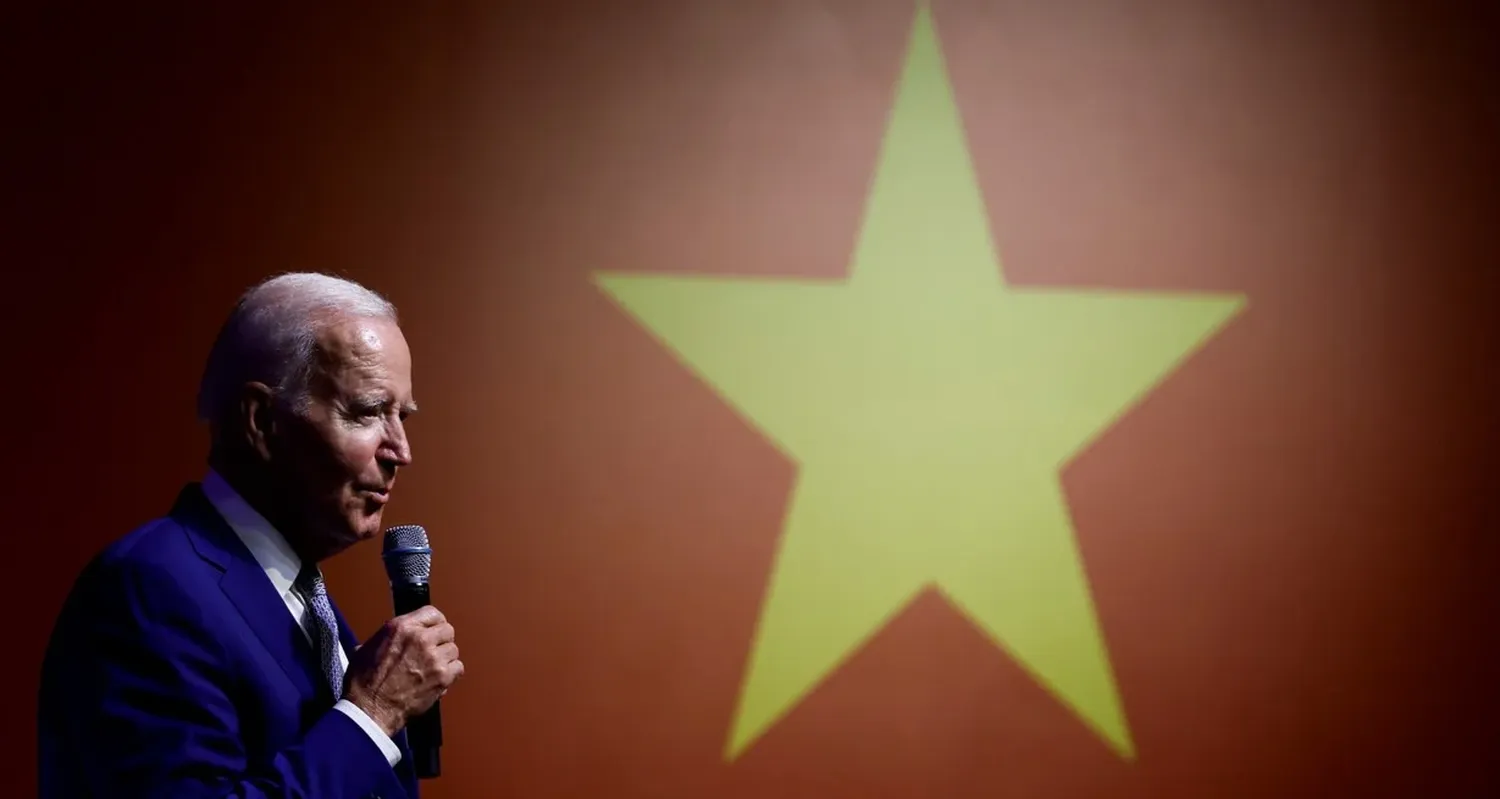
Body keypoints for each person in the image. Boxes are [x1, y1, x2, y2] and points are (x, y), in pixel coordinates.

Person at [37, 272, 463, 798]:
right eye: (368, 412)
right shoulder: (147, 589)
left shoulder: (306, 603)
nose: (400, 451)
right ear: (261, 420)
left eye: (402, 415)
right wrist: (373, 715)